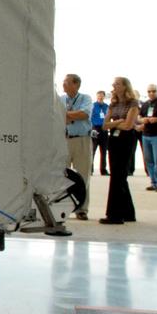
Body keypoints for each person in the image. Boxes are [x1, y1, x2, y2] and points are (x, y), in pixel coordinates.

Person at [100, 77, 139, 225]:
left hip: (126, 140)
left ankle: (114, 215)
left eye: (117, 84)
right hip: (114, 140)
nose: (114, 86)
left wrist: (114, 124)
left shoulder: (133, 104)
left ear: (124, 86)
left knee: (118, 176)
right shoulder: (113, 103)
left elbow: (129, 125)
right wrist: (118, 122)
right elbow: (104, 125)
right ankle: (129, 213)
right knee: (118, 176)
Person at [61, 74, 93, 221]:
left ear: (76, 84)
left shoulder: (85, 99)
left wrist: (66, 115)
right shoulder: (60, 99)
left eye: (67, 82)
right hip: (64, 140)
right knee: (62, 175)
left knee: (83, 175)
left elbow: (84, 114)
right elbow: (55, 115)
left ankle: (82, 209)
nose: (64, 84)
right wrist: (71, 115)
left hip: (82, 140)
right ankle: (62, 207)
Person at [90, 90, 109, 176]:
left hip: (104, 129)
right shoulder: (93, 106)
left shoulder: (106, 106)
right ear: (96, 97)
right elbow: (89, 118)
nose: (100, 97)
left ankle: (103, 169)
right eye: (99, 96)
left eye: (102, 96)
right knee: (93, 150)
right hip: (95, 128)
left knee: (104, 151)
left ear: (104, 97)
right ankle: (90, 169)